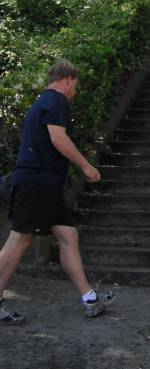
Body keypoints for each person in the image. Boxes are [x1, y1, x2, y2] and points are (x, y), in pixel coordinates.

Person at [0, 59, 115, 325]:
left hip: (45, 185)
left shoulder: (44, 101)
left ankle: (89, 298)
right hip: (36, 184)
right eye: (76, 85)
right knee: (20, 240)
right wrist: (85, 165)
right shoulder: (55, 101)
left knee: (67, 234)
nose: (75, 91)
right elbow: (58, 137)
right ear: (68, 80)